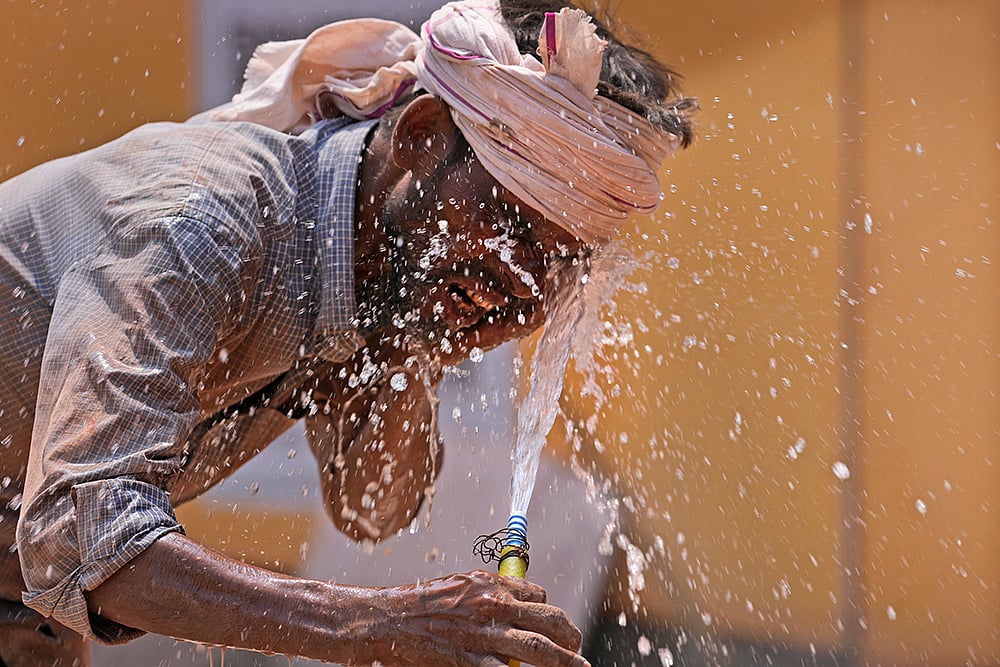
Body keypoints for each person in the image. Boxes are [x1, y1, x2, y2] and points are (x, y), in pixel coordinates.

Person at [0, 0, 695, 664]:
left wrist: (420, 341)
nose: (521, 279)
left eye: (559, 262)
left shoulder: (385, 270)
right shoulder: (203, 226)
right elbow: (85, 530)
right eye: (510, 223)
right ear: (420, 134)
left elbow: (372, 508)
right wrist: (373, 624)